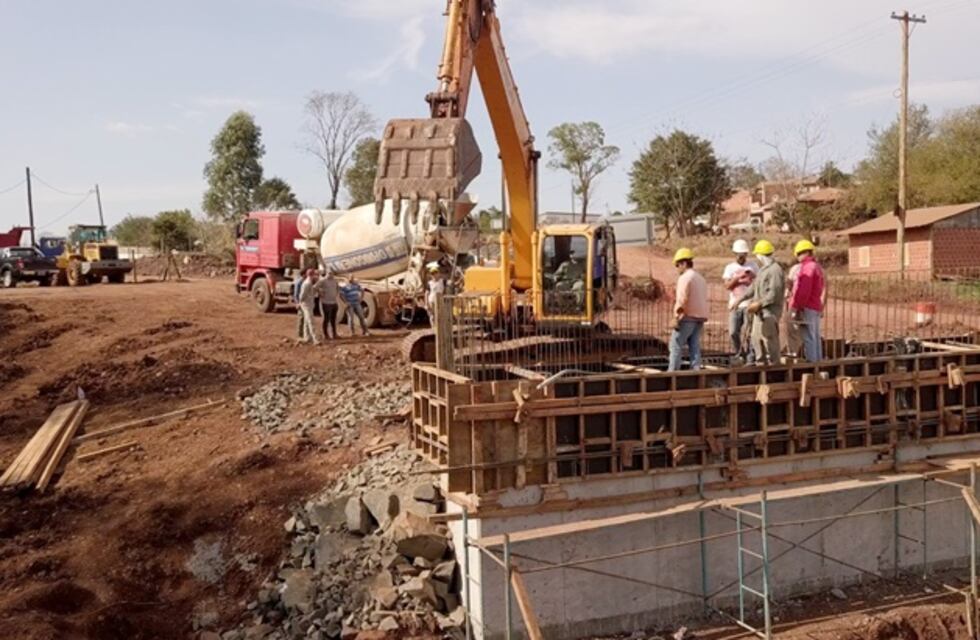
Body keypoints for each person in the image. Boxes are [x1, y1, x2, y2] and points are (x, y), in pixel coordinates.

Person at [737, 239, 785, 366]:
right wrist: (740, 299)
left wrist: (759, 304)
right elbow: (754, 287)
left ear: (762, 255)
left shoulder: (775, 270)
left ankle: (775, 364)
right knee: (755, 338)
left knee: (770, 339)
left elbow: (774, 294)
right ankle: (760, 363)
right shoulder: (763, 270)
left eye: (758, 254)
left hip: (769, 312)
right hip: (759, 313)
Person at [668, 248, 709, 372]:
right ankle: (695, 369)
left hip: (688, 316)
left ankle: (672, 373)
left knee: (675, 344)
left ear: (684, 263)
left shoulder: (685, 278)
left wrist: (676, 317)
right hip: (700, 317)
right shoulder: (700, 278)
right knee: (694, 345)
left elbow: (682, 299)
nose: (677, 268)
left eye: (678, 265)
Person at [789, 239, 826, 362]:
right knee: (814, 336)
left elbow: (803, 291)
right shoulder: (817, 267)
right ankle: (818, 363)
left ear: (804, 253)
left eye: (799, 254)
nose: (798, 257)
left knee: (808, 337)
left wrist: (798, 307)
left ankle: (812, 364)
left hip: (807, 306)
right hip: (815, 306)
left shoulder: (807, 268)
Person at [723, 239, 758, 364]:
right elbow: (727, 286)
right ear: (735, 254)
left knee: (750, 333)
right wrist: (737, 278)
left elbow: (758, 282)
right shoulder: (730, 268)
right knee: (733, 331)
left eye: (743, 255)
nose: (742, 257)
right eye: (739, 255)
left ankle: (750, 357)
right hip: (735, 304)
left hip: (749, 304)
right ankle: (739, 352)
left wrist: (752, 275)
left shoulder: (753, 266)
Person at [297, 268, 321, 345]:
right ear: (312, 275)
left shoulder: (309, 283)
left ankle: (306, 337)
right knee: (311, 321)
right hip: (306, 305)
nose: (315, 276)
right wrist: (301, 303)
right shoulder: (307, 283)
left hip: (309, 304)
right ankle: (315, 339)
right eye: (314, 274)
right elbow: (302, 296)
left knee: (307, 322)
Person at [317, 269, 340, 340]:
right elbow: (315, 287)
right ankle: (326, 335)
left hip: (334, 302)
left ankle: (334, 334)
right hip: (326, 303)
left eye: (332, 273)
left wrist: (336, 293)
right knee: (326, 319)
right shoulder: (323, 281)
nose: (330, 275)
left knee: (333, 319)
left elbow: (338, 288)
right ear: (326, 273)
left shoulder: (334, 280)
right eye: (329, 273)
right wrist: (320, 293)